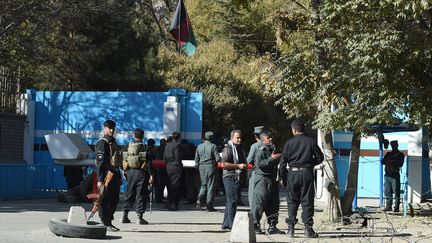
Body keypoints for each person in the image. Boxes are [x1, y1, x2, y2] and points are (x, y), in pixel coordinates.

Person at [279, 120, 324, 238]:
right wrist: (310, 164)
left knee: (292, 201)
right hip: (306, 174)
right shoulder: (311, 142)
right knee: (307, 201)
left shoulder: (289, 143)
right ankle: (308, 229)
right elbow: (320, 158)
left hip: (292, 174)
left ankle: (291, 229)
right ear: (303, 129)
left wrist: (283, 178)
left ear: (293, 130)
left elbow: (283, 163)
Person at [251, 131, 283, 234]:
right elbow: (259, 164)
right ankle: (255, 226)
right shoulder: (261, 150)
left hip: (272, 179)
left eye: (271, 137)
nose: (271, 139)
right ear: (263, 140)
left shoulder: (272, 148)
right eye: (268, 138)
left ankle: (273, 226)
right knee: (259, 203)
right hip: (263, 180)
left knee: (273, 203)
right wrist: (271, 158)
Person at [120, 128, 153, 225]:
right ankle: (139, 217)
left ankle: (124, 215)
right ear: (143, 136)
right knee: (141, 194)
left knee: (129, 193)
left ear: (133, 135)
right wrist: (151, 175)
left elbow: (122, 159)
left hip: (130, 172)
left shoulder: (128, 146)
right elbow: (149, 162)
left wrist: (124, 170)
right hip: (142, 173)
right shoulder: (145, 147)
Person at [95, 119, 122, 232]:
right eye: (109, 128)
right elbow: (100, 163)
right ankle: (105, 222)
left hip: (114, 174)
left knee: (114, 199)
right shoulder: (102, 142)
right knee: (105, 199)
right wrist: (100, 179)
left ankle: (109, 221)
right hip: (106, 175)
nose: (111, 130)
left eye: (113, 128)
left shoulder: (113, 142)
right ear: (104, 128)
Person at [221, 130, 247, 230]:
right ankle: (232, 225)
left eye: (240, 137)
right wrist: (238, 166)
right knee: (232, 201)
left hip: (237, 177)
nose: (239, 139)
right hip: (230, 177)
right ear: (232, 138)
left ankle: (226, 224)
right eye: (237, 138)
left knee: (230, 201)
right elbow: (224, 164)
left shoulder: (239, 148)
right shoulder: (228, 149)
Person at [195, 131, 221, 212]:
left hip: (201, 167)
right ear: (212, 138)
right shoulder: (213, 146)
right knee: (211, 186)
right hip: (210, 166)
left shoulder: (199, 146)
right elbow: (218, 159)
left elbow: (196, 159)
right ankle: (209, 205)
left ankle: (199, 198)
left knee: (203, 185)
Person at [382, 140, 405, 212]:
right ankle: (388, 206)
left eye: (394, 145)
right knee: (387, 191)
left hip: (395, 175)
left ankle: (396, 207)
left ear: (397, 145)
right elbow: (382, 161)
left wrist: (390, 162)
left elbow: (400, 164)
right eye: (392, 145)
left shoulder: (400, 154)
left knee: (396, 191)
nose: (393, 146)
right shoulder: (388, 153)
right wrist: (390, 161)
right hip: (387, 175)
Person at [163, 131, 183, 211]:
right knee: (175, 185)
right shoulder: (177, 145)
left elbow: (164, 157)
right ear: (178, 138)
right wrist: (179, 165)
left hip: (168, 166)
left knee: (169, 185)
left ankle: (168, 202)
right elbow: (177, 156)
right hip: (175, 166)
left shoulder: (167, 145)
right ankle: (174, 204)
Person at [247, 126, 264, 207]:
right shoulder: (271, 145)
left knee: (252, 193)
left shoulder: (255, 146)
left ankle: (253, 211)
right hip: (267, 174)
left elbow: (248, 160)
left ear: (256, 136)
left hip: (256, 172)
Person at [155, 138, 169, 203]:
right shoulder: (165, 149)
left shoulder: (158, 149)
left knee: (160, 185)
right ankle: (159, 198)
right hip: (163, 168)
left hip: (159, 168)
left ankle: (159, 197)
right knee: (162, 184)